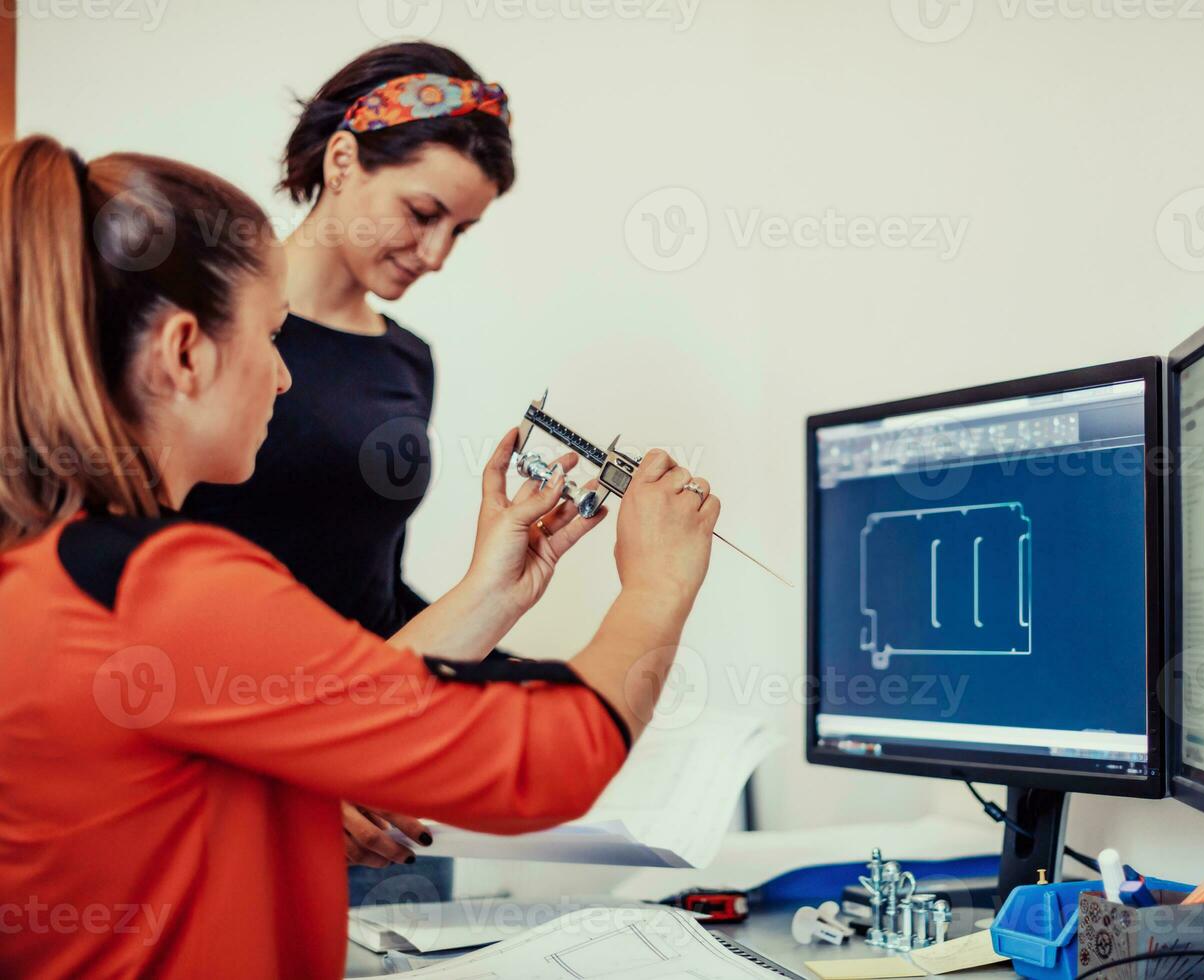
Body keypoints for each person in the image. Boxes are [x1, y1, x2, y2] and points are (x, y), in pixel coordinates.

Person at [0, 135, 718, 979]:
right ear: (185, 353)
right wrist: (659, 585)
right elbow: (543, 762)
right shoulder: (162, 585)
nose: (285, 378)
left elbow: (338, 694)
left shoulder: (59, 572)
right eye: (272, 339)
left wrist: (494, 589)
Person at [180, 41, 525, 898]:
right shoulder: (200, 323)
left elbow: (371, 580)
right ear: (343, 160)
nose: (437, 252)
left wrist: (522, 684)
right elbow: (134, 585)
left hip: (384, 769)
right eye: (421, 212)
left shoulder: (407, 361)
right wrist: (271, 760)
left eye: (463, 231)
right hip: (232, 768)